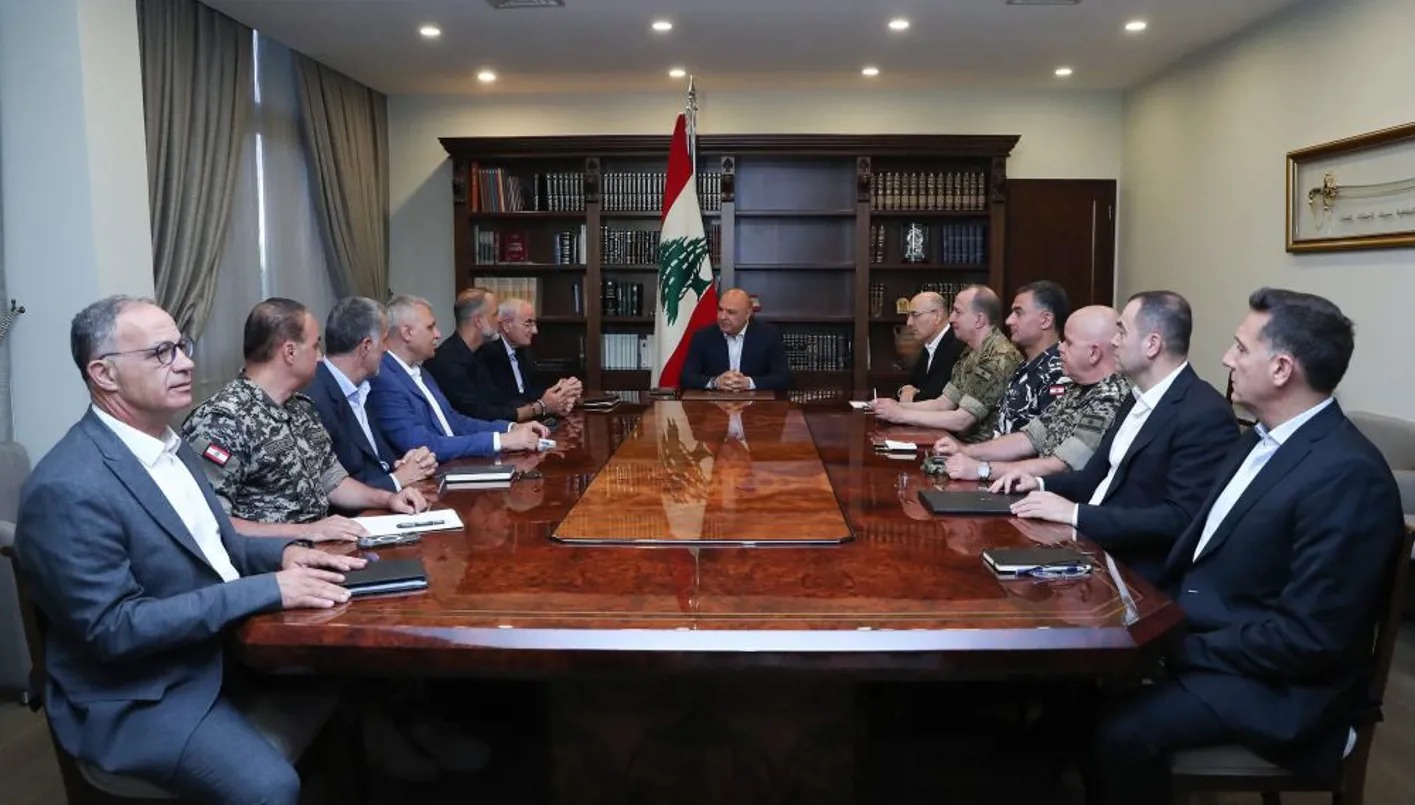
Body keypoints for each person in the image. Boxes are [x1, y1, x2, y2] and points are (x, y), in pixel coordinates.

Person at [15, 295, 365, 804]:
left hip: (215, 652)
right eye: (161, 353)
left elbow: (217, 548)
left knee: (358, 679)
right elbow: (115, 629)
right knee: (270, 787)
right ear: (104, 374)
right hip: (142, 695)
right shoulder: (67, 487)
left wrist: (287, 554)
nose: (184, 363)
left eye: (181, 347)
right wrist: (268, 589)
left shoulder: (169, 446)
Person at [1093, 288, 1404, 803]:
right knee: (1078, 690)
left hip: (1281, 690)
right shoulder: (1257, 441)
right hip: (1221, 643)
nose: (1225, 358)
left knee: (1118, 731)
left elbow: (1309, 640)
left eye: (1240, 347)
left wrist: (1172, 647)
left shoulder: (1349, 476)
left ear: (1281, 369)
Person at [993, 291, 1239, 582]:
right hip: (1087, 544)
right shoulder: (1136, 397)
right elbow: (1095, 478)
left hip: (1133, 572)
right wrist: (1038, 483)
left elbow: (1179, 519)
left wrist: (1076, 514)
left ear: (1152, 344)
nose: (1113, 341)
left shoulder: (1204, 412)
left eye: (1122, 331)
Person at [182, 298, 427, 541]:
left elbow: (333, 482)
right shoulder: (221, 421)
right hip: (274, 560)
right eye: (315, 346)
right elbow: (213, 523)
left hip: (325, 547)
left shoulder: (302, 408)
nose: (320, 357)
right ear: (290, 352)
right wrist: (308, 531)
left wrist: (388, 498)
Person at [925, 306, 1129, 481]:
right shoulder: (1077, 388)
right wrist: (965, 451)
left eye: (1069, 343)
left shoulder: (1109, 396)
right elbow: (1029, 439)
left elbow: (1061, 466)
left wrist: (982, 469)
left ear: (1093, 353)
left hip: (1061, 500)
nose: (1060, 348)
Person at [368, 294, 549, 459]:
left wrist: (510, 428)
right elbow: (422, 446)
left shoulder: (421, 372)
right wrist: (500, 440)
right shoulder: (383, 380)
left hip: (455, 464)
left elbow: (453, 421)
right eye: (430, 327)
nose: (438, 334)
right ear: (407, 333)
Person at [308, 296, 438, 493]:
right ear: (366, 346)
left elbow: (378, 463)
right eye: (384, 340)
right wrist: (397, 479)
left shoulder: (363, 387)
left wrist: (406, 463)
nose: (386, 349)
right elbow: (331, 489)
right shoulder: (313, 398)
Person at [872, 285, 1022, 443]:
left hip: (980, 450)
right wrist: (893, 406)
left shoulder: (997, 358)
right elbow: (943, 403)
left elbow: (961, 421)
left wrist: (900, 414)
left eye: (958, 312)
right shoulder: (971, 351)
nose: (951, 319)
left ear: (978, 320)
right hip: (958, 444)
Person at [426, 288, 573, 423]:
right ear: (478, 321)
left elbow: (507, 402)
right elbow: (479, 415)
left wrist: (559, 395)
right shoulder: (447, 363)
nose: (499, 320)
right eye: (495, 314)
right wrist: (541, 406)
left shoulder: (487, 352)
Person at [477, 296, 582, 409]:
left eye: (534, 323)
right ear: (507, 326)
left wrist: (563, 390)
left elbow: (534, 391)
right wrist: (546, 403)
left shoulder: (524, 351)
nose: (535, 330)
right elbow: (503, 402)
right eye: (528, 323)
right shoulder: (488, 354)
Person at [679, 287, 790, 391]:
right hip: (714, 401)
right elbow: (686, 378)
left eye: (731, 312)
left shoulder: (769, 335)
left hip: (756, 401)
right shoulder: (703, 337)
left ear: (747, 313)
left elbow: (783, 378)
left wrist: (749, 383)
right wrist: (715, 382)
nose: (722, 317)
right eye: (720, 310)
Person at [994, 281, 1069, 435]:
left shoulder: (1058, 372)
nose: (1009, 321)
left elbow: (1044, 440)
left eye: (1018, 313)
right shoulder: (1025, 366)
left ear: (1046, 320)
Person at [895, 290, 964, 403]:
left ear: (937, 316)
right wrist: (905, 389)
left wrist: (912, 395)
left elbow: (937, 396)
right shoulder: (927, 346)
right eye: (908, 316)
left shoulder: (957, 346)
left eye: (915, 315)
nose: (909, 322)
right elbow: (913, 384)